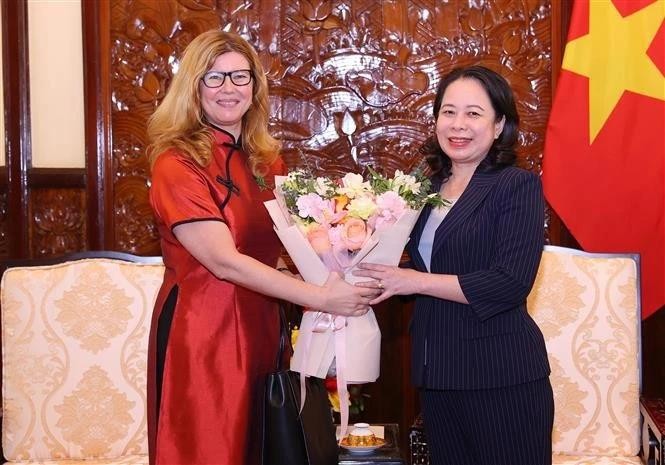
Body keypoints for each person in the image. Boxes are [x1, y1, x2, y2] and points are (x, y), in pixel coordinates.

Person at [145, 30, 378, 465]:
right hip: (202, 335)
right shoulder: (176, 163)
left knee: (266, 446)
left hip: (263, 327)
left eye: (239, 76)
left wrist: (342, 267)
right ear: (192, 87)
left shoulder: (265, 161)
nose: (229, 88)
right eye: (213, 78)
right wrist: (321, 296)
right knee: (212, 448)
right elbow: (224, 261)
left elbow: (278, 251)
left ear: (255, 86)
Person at [355, 65, 553, 465]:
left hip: (500, 377)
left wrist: (415, 281)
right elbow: (407, 264)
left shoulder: (516, 186)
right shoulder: (424, 189)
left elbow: (508, 283)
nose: (458, 125)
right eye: (448, 112)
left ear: (499, 125)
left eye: (474, 113)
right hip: (437, 374)